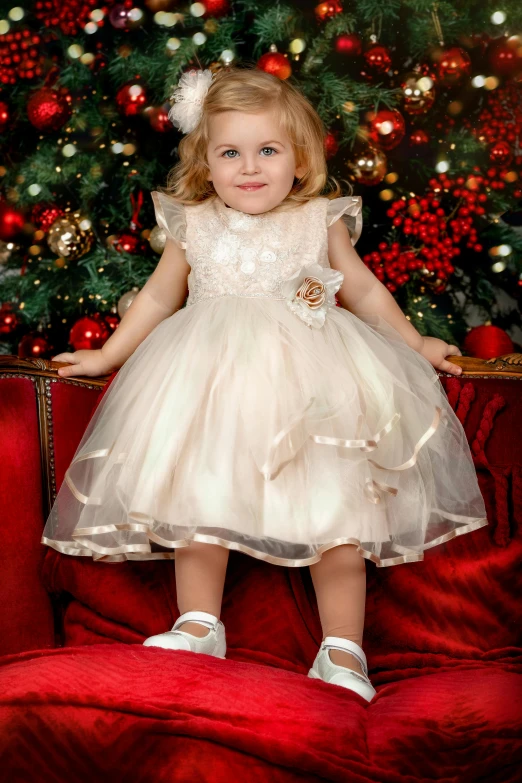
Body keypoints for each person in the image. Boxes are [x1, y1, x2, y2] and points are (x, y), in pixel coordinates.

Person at [42, 66, 488, 703]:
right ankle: (199, 624)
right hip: (211, 383)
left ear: (300, 159)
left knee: (340, 510)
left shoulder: (315, 218)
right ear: (207, 161)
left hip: (314, 385)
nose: (249, 168)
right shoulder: (195, 223)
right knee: (200, 496)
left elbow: (359, 288)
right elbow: (160, 296)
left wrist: (414, 343)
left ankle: (342, 650)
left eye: (268, 151)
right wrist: (108, 352)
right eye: (231, 152)